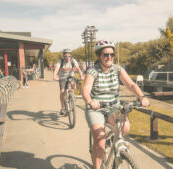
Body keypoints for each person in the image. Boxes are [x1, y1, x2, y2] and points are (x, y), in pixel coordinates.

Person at [82, 40, 149, 169]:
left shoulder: (117, 69)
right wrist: (90, 101)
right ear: (99, 56)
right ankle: (98, 159)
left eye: (112, 55)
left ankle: (109, 142)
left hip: (113, 106)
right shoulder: (92, 71)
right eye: (106, 54)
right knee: (99, 142)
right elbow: (85, 89)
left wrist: (142, 96)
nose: (109, 57)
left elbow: (130, 84)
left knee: (125, 128)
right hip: (96, 108)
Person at [53, 48, 84, 115]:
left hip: (70, 76)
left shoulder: (73, 61)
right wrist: (54, 76)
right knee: (62, 92)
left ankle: (71, 96)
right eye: (66, 56)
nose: (67, 57)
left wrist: (81, 75)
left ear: (70, 56)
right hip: (62, 77)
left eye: (69, 56)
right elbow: (56, 69)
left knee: (73, 85)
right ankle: (62, 107)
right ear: (63, 56)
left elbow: (78, 68)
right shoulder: (60, 61)